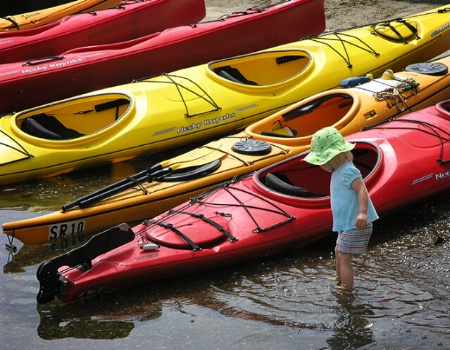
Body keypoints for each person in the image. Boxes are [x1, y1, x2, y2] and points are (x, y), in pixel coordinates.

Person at [304, 127, 378, 294]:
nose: (320, 166)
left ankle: (346, 288)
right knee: (338, 250)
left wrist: (363, 213)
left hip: (356, 223)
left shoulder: (348, 170)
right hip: (346, 223)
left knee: (345, 258)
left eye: (321, 162)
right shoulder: (339, 170)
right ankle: (339, 277)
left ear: (332, 158)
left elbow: (362, 190)